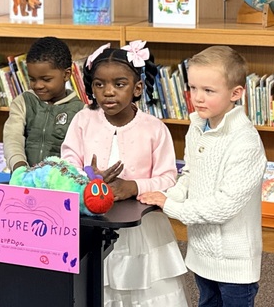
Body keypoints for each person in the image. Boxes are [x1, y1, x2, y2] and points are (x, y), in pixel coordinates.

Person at [61, 41, 189, 307]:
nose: (108, 92)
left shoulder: (155, 129)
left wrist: (133, 187)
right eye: (99, 84)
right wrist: (87, 175)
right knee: (94, 285)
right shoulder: (83, 120)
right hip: (91, 221)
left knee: (144, 288)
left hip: (141, 227)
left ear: (137, 88)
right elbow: (67, 161)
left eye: (119, 84)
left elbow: (168, 178)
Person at [139, 46, 267, 307]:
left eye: (208, 91)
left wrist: (171, 206)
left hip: (234, 262)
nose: (197, 98)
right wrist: (166, 195)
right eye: (193, 88)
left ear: (236, 93)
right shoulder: (197, 125)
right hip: (201, 252)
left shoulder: (245, 142)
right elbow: (189, 174)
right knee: (207, 301)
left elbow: (224, 207)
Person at [2, 36, 85, 172]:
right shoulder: (23, 102)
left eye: (46, 79)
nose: (38, 85)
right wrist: (19, 167)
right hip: (24, 178)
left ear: (66, 74)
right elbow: (13, 138)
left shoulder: (80, 110)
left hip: (60, 183)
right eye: (32, 79)